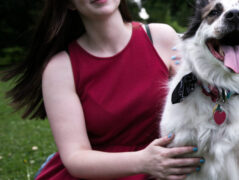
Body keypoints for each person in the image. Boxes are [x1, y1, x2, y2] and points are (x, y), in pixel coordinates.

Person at [2, 0, 205, 179]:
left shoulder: (162, 37)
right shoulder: (60, 67)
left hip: (170, 167)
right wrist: (143, 161)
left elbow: (202, 101)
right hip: (100, 172)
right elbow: (75, 157)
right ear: (69, 3)